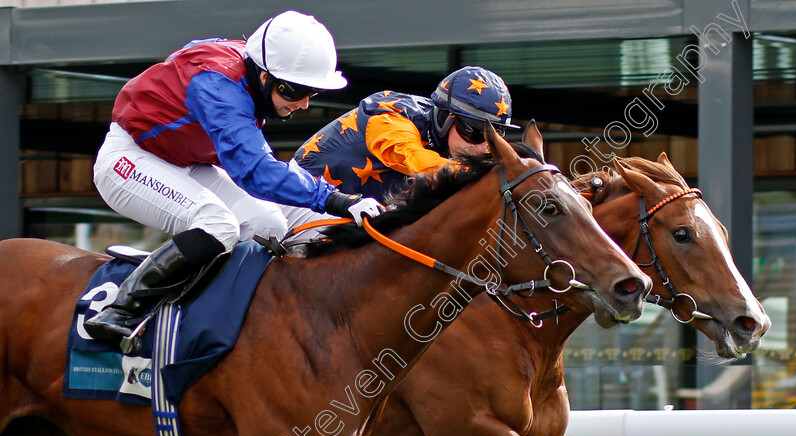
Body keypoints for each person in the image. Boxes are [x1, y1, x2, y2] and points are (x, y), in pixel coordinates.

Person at [84, 11, 382, 351]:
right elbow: (256, 172)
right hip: (129, 158)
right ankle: (120, 312)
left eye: (310, 92)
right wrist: (338, 199)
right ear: (265, 76)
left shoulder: (249, 63)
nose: (302, 103)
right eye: (293, 91)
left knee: (267, 224)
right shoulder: (219, 86)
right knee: (218, 224)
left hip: (185, 161)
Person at [293, 66, 519, 201]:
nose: (485, 148)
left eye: (495, 137)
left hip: (350, 209)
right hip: (299, 200)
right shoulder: (390, 118)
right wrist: (489, 175)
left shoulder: (442, 142)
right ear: (444, 118)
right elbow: (416, 161)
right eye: (476, 133)